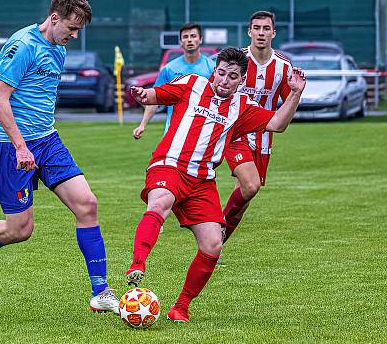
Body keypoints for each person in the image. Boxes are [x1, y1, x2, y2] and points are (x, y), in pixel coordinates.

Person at [0, 0, 121, 314]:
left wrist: (38, 142)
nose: (73, 36)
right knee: (20, 230)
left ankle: (101, 292)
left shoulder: (57, 50)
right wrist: (20, 146)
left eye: (78, 31)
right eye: (71, 28)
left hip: (47, 140)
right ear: (54, 17)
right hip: (8, 144)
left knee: (87, 204)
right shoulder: (22, 45)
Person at [126, 47, 306, 323]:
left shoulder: (243, 107)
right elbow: (154, 95)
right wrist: (141, 94)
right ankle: (137, 264)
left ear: (241, 80)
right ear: (214, 71)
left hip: (202, 181)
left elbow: (277, 124)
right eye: (220, 73)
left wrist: (295, 93)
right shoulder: (192, 84)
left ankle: (181, 307)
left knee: (212, 245)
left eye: (232, 76)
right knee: (160, 201)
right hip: (169, 164)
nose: (224, 80)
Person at [220, 11, 293, 246]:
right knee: (249, 185)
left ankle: (217, 245)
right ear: (249, 31)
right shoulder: (237, 61)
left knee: (246, 194)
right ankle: (215, 231)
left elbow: (286, 107)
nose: (261, 33)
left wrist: (297, 93)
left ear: (274, 32)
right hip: (235, 134)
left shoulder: (283, 67)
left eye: (266, 28)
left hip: (263, 138)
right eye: (257, 28)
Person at [132, 23, 215, 139]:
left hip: (202, 134)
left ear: (200, 39)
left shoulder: (212, 68)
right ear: (181, 42)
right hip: (174, 133)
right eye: (185, 37)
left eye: (193, 36)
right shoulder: (169, 69)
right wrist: (142, 125)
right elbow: (156, 98)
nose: (189, 40)